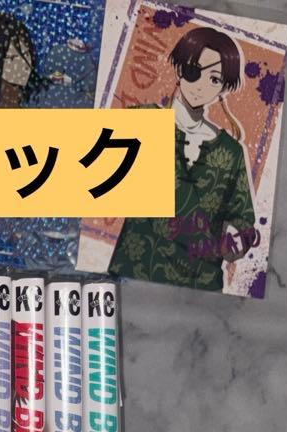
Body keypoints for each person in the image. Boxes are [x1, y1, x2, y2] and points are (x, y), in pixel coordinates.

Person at [108, 27, 258, 292]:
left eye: (215, 79)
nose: (201, 85)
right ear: (179, 69)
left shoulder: (231, 152)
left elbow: (242, 219)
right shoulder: (141, 121)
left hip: (199, 284)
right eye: (193, 71)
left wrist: (236, 241)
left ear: (224, 88)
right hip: (136, 270)